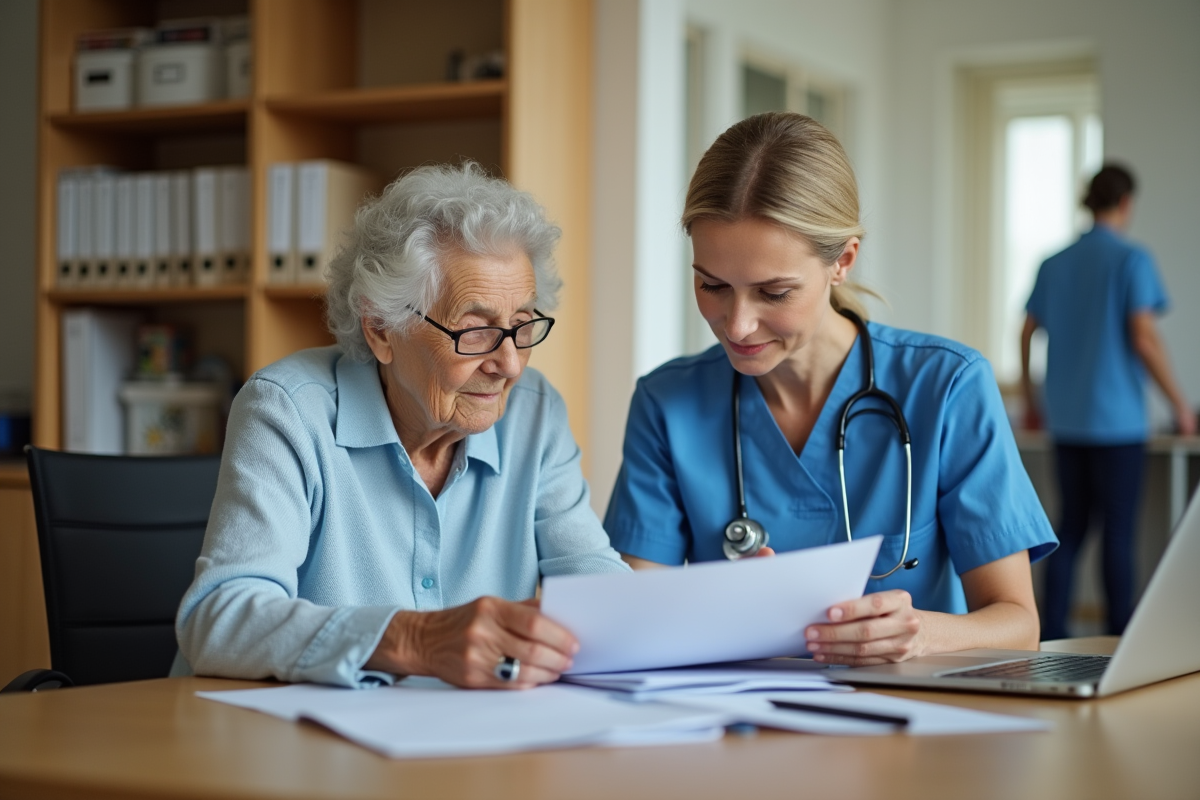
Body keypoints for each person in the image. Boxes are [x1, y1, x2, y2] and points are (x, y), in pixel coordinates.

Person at [605, 112, 1057, 666]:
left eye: (774, 292)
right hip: (734, 729)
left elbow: (1018, 624)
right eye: (712, 285)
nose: (738, 324)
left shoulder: (947, 386)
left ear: (842, 261)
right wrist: (719, 608)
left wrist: (919, 634)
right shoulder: (667, 403)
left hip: (910, 727)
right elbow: (629, 618)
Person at [175, 163, 629, 689]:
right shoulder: (288, 411)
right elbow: (219, 619)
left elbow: (596, 583)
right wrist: (418, 640)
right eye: (476, 331)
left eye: (523, 325)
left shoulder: (534, 411)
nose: (509, 364)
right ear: (382, 330)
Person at [1021, 163, 1194, 641]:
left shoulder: (1053, 262)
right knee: (1118, 532)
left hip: (1067, 421)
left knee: (1069, 530)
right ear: (1125, 204)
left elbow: (1026, 330)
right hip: (1117, 424)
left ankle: (1049, 633)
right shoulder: (1131, 259)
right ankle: (1122, 640)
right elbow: (1144, 337)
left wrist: (1034, 396)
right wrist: (1180, 405)